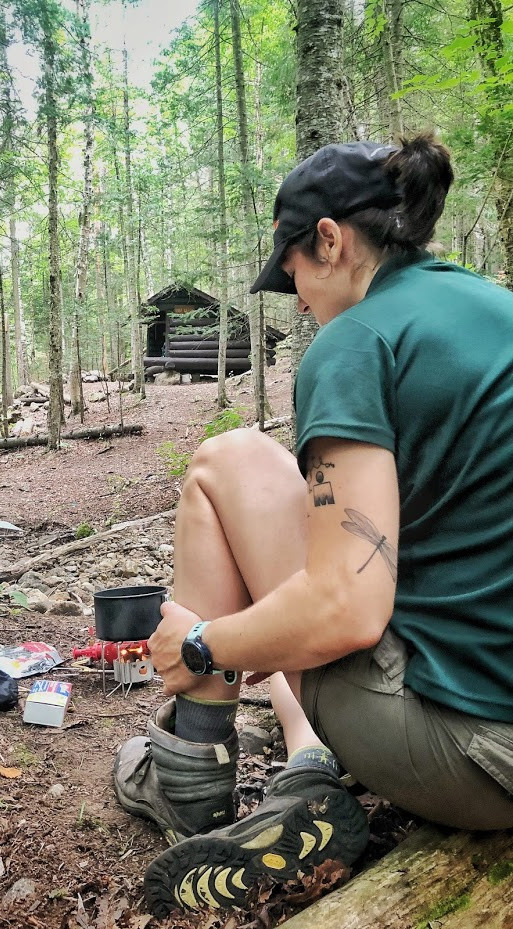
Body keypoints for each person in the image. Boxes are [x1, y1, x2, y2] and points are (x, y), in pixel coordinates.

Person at [113, 134, 513, 918]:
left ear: (328, 241)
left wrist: (201, 644)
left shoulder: (355, 342)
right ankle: (303, 758)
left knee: (220, 465)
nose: (294, 299)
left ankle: (191, 769)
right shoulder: (491, 307)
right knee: (248, 469)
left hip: (477, 759)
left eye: (290, 270)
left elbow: (345, 607)